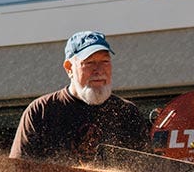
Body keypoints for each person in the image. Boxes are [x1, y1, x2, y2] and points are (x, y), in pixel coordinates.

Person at [9, 30, 151, 163]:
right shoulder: (41, 112)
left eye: (105, 61)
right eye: (89, 63)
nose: (99, 70)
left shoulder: (127, 113)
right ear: (69, 68)